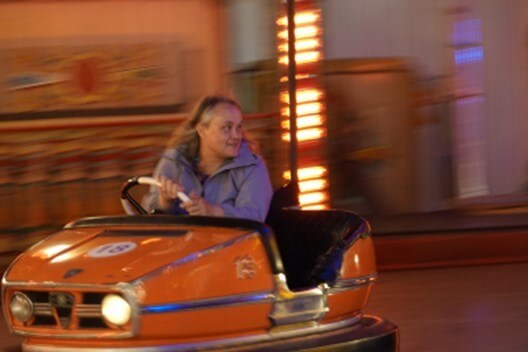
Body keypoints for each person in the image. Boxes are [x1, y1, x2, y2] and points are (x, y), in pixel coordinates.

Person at [143, 95, 272, 222]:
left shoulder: (252, 166)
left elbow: (255, 216)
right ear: (202, 130)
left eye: (238, 127)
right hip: (180, 242)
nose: (236, 136)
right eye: (227, 128)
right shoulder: (174, 161)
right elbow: (147, 216)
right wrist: (164, 201)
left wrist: (214, 211)